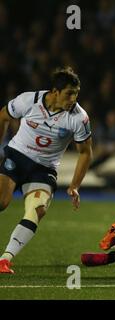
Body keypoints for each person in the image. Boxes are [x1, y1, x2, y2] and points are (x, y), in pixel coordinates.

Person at [0, 67, 93, 274]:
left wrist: (75, 186)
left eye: (76, 93)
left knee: (38, 209)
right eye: (69, 93)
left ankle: (5, 260)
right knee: (1, 202)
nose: (73, 99)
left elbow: (86, 153)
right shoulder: (29, 100)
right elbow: (3, 116)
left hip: (44, 169)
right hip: (17, 156)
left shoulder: (79, 117)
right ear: (55, 91)